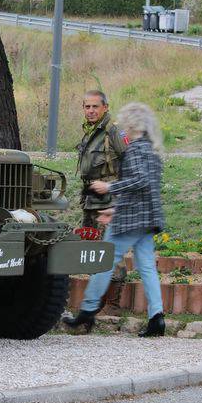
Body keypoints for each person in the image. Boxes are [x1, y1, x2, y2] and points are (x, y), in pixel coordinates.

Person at [64, 102, 166, 337]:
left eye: (124, 122)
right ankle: (156, 318)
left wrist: (109, 186)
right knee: (148, 268)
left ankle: (87, 311)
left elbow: (139, 181)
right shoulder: (151, 149)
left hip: (131, 221)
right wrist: (115, 210)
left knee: (104, 262)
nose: (121, 128)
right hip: (146, 219)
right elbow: (145, 190)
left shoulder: (137, 150)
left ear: (132, 124)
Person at [77, 90, 128, 313]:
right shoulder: (90, 133)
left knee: (110, 250)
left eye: (95, 107)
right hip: (91, 201)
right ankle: (96, 302)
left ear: (105, 107)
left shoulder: (113, 131)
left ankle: (113, 304)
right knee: (92, 249)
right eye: (87, 107)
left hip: (109, 202)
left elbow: (131, 163)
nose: (90, 111)